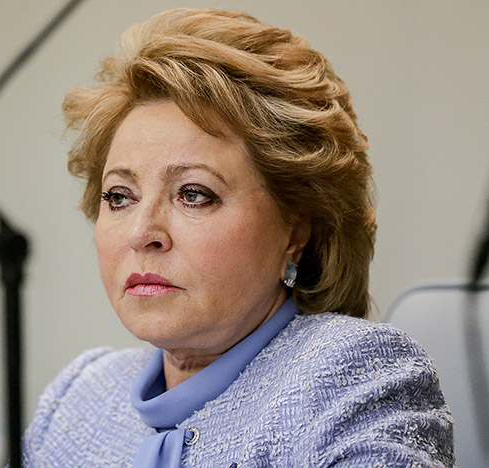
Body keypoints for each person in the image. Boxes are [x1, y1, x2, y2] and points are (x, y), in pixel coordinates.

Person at [23, 8, 454, 467]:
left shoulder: (352, 374)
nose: (141, 233)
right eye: (119, 196)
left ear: (296, 230)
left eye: (193, 194)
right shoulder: (80, 397)